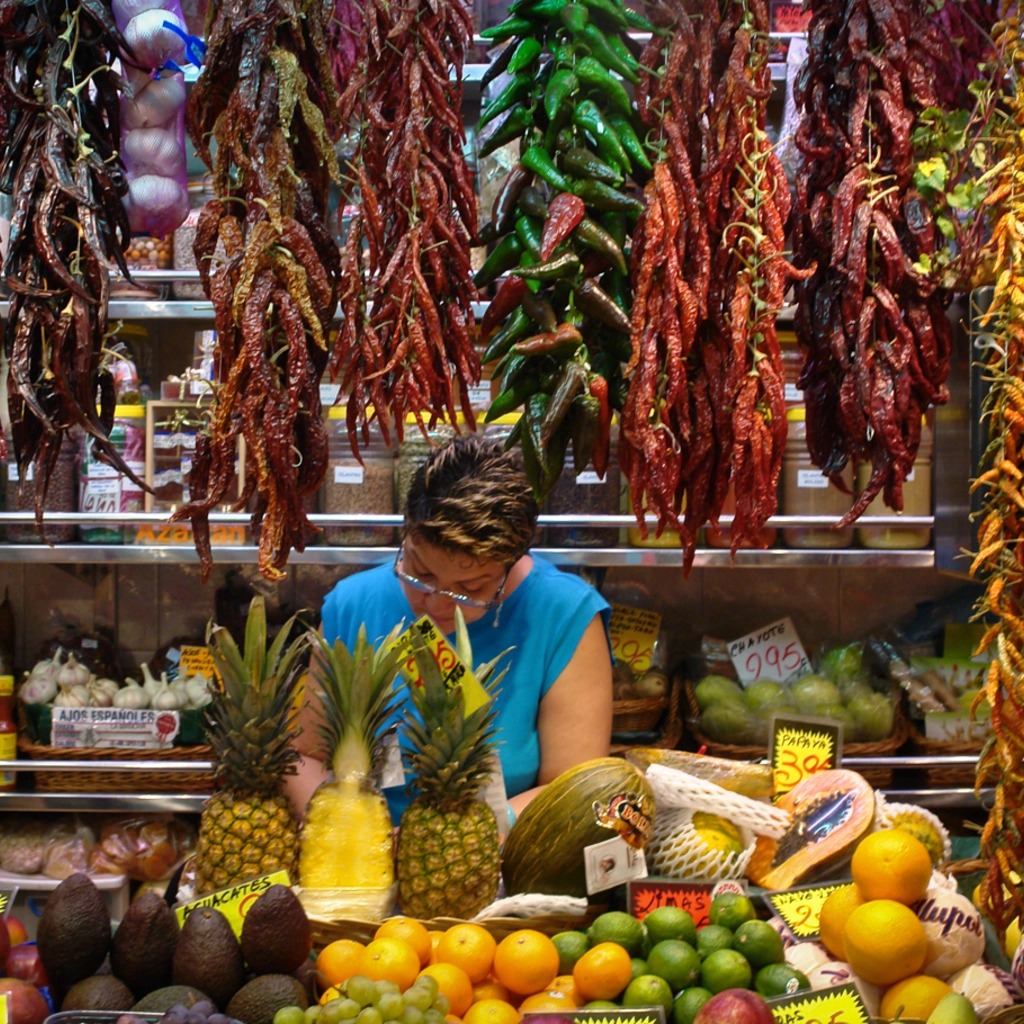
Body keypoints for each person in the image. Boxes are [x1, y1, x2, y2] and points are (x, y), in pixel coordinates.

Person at [287, 434, 613, 820]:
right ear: (406, 535)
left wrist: (475, 834)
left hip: (502, 860)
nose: (438, 604)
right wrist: (344, 827)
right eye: (420, 573)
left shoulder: (565, 614)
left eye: (470, 588)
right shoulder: (354, 604)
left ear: (511, 562)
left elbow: (571, 787)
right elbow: (306, 756)